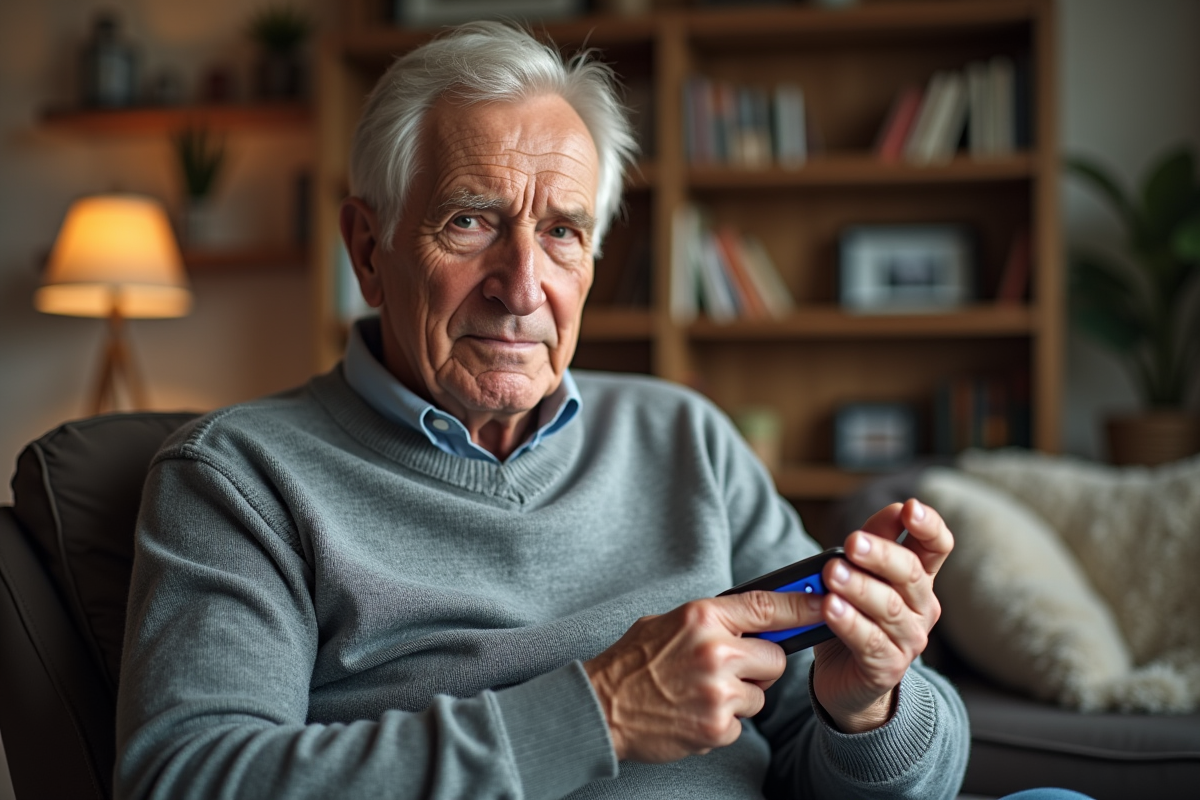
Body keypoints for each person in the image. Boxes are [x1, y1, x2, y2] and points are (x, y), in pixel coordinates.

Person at [115, 21, 971, 800]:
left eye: (562, 232)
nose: (523, 287)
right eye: (469, 221)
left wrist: (867, 709)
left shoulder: (685, 438)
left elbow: (870, 767)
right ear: (369, 251)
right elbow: (185, 780)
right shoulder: (240, 476)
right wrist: (598, 713)